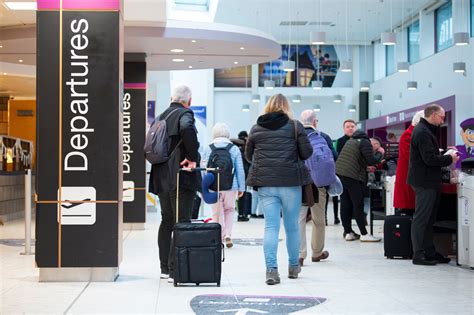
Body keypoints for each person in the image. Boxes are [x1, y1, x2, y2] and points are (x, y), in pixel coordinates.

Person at [245, 94, 313, 285]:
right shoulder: (295, 126)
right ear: (286, 107)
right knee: (291, 227)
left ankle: (272, 270)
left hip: (266, 184)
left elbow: (249, 156)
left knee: (271, 227)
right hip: (291, 183)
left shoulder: (256, 128)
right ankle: (293, 267)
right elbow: (307, 153)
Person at [149, 85, 200, 282]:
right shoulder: (185, 114)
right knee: (182, 221)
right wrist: (193, 158)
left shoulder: (160, 116)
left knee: (167, 220)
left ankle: (164, 268)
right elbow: (187, 128)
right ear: (189, 101)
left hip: (161, 176)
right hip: (180, 176)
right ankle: (174, 269)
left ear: (172, 98)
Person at [407, 104, 459, 266]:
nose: (443, 120)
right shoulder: (422, 132)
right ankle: (419, 254)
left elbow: (429, 156)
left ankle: (429, 251)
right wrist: (449, 159)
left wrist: (444, 154)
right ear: (433, 115)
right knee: (422, 219)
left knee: (429, 219)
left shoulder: (426, 130)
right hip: (425, 181)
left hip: (429, 180)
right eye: (442, 117)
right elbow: (429, 159)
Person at [298, 109, 333, 266]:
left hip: (300, 182)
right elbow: (334, 157)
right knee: (319, 219)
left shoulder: (294, 137)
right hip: (318, 183)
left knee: (299, 219)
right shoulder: (323, 137)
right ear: (314, 122)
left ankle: (300, 254)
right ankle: (317, 253)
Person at [202, 123, 245, 248]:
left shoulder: (208, 148)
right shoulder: (234, 148)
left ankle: (218, 238)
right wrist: (241, 188)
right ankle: (227, 235)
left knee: (217, 213)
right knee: (230, 210)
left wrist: (205, 186)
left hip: (213, 186)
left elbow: (204, 169)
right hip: (231, 185)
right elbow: (240, 170)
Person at [335, 129, 384, 242]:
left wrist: (365, 167)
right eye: (375, 144)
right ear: (370, 141)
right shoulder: (364, 142)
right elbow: (371, 160)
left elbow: (357, 160)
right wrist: (380, 153)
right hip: (351, 176)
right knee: (358, 204)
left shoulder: (351, 141)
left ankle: (348, 232)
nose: (375, 146)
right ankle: (364, 234)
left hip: (340, 173)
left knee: (345, 204)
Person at [393, 111, 424, 212]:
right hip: (407, 176)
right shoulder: (408, 135)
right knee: (409, 209)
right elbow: (412, 157)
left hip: (411, 175)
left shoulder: (413, 134)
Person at [231, 130, 251, 221]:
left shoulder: (233, 144)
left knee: (235, 194)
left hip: (234, 171)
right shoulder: (246, 144)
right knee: (243, 193)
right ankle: (242, 214)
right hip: (245, 172)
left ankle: (238, 213)